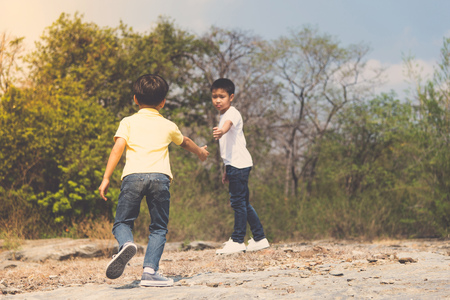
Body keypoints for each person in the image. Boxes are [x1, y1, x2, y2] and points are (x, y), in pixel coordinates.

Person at [98, 74, 209, 287]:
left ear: (135, 99)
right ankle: (150, 272)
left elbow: (117, 149)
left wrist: (106, 178)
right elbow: (184, 142)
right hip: (160, 178)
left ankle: (126, 244)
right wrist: (200, 153)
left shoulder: (128, 122)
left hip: (133, 177)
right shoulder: (168, 124)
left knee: (122, 222)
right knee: (158, 227)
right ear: (163, 102)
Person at [211, 78, 270, 255]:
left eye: (222, 96)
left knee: (237, 202)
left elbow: (228, 127)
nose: (218, 100)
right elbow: (228, 147)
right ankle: (260, 238)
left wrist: (221, 131)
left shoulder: (231, 114)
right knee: (243, 202)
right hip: (235, 165)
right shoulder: (223, 114)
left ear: (231, 97)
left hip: (239, 165)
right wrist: (225, 169)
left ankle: (238, 240)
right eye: (214, 97)